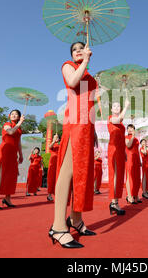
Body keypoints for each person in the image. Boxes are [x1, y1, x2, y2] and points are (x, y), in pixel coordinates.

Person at [49, 42, 97, 249]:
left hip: (86, 125)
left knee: (82, 174)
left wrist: (93, 130)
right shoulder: (68, 66)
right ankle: (58, 227)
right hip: (74, 123)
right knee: (67, 173)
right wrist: (85, 60)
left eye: (81, 48)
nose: (78, 50)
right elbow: (71, 82)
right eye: (75, 49)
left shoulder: (89, 76)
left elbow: (91, 102)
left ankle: (75, 220)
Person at [0, 110, 25, 209]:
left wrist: (20, 154)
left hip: (13, 153)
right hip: (5, 151)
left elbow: (18, 142)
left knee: (11, 176)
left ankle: (7, 199)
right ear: (9, 116)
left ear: (18, 116)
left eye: (16, 114)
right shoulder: (7, 124)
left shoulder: (19, 128)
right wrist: (20, 123)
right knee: (1, 175)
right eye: (12, 114)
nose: (14, 115)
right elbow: (10, 132)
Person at [107, 100, 130, 215]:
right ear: (111, 109)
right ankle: (113, 202)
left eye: (118, 106)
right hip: (114, 149)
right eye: (114, 106)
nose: (116, 107)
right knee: (115, 175)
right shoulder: (111, 118)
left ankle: (115, 202)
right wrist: (126, 107)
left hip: (121, 150)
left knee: (120, 175)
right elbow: (118, 119)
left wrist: (125, 152)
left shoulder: (121, 124)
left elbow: (121, 137)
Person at [125, 124, 141, 204]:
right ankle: (129, 196)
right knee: (129, 177)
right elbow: (128, 145)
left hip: (136, 159)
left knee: (137, 178)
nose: (130, 129)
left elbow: (137, 149)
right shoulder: (126, 137)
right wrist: (132, 137)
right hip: (129, 159)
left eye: (131, 128)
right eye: (128, 128)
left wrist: (140, 160)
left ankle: (136, 195)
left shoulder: (137, 139)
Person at [47, 133, 60, 201]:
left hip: (58, 163)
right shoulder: (52, 144)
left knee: (57, 178)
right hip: (53, 162)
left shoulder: (60, 145)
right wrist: (53, 141)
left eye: (57, 137)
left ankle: (56, 193)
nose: (56, 138)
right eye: (55, 137)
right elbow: (49, 147)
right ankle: (49, 194)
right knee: (51, 178)